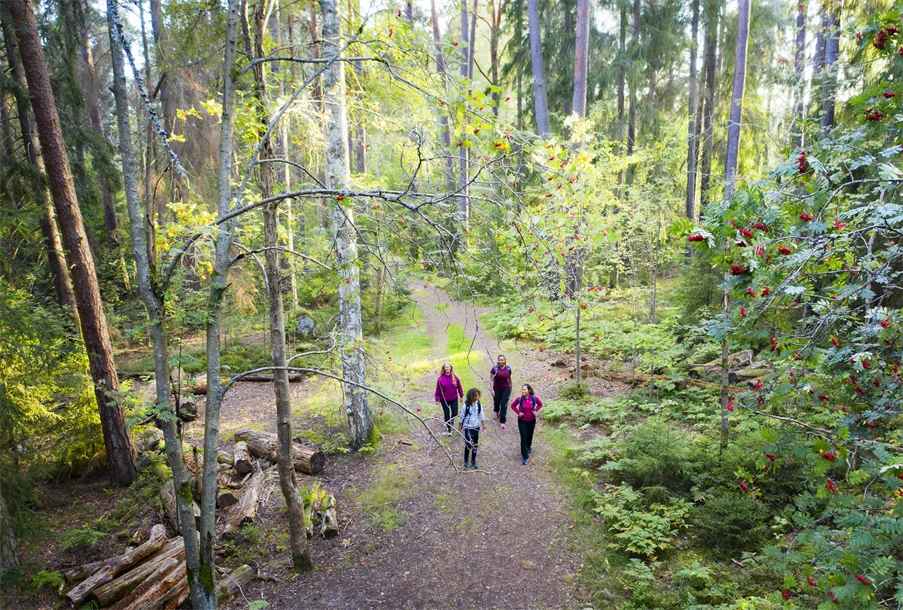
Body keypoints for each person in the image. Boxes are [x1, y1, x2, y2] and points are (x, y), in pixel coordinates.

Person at [510, 384, 543, 465]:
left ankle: (528, 446)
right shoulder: (520, 399)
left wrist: (535, 410)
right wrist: (518, 413)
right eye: (522, 389)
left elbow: (540, 404)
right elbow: (512, 406)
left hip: (532, 420)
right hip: (522, 421)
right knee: (523, 437)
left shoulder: (534, 398)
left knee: (530, 435)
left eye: (525, 389)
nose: (523, 391)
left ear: (529, 390)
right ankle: (525, 456)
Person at [459, 388, 487, 469]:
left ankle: (473, 461)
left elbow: (481, 415)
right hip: (467, 427)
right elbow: (461, 417)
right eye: (475, 396)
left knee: (475, 445)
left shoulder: (478, 404)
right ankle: (465, 461)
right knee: (468, 445)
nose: (477, 397)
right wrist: (460, 429)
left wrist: (484, 427)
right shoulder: (466, 406)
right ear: (471, 396)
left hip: (476, 427)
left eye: (478, 395)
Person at [434, 362, 464, 436]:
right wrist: (437, 399)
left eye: (449, 367)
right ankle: (449, 429)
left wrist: (461, 396)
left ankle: (452, 420)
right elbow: (437, 390)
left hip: (454, 398)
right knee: (446, 413)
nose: (447, 368)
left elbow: (459, 387)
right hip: (444, 399)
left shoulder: (455, 377)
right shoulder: (440, 379)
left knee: (455, 413)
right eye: (446, 367)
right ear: (444, 368)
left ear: (451, 368)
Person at [489, 355, 512, 429]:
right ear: (498, 360)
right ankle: (496, 410)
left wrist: (511, 386)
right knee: (496, 402)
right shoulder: (494, 369)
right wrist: (492, 389)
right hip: (497, 389)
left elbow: (509, 378)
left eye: (502, 360)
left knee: (504, 404)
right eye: (500, 360)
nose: (501, 361)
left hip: (506, 389)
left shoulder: (508, 368)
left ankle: (502, 422)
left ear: (505, 360)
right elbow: (492, 380)